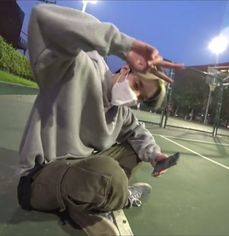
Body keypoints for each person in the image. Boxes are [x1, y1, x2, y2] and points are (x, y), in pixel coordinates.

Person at [17, 3, 183, 236]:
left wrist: (155, 155)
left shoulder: (121, 112)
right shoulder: (75, 69)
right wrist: (125, 45)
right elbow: (42, 18)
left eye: (141, 98)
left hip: (81, 169)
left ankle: (94, 201)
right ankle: (114, 197)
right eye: (136, 86)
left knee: (133, 151)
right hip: (40, 177)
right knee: (108, 174)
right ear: (125, 70)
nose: (134, 98)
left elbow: (138, 132)